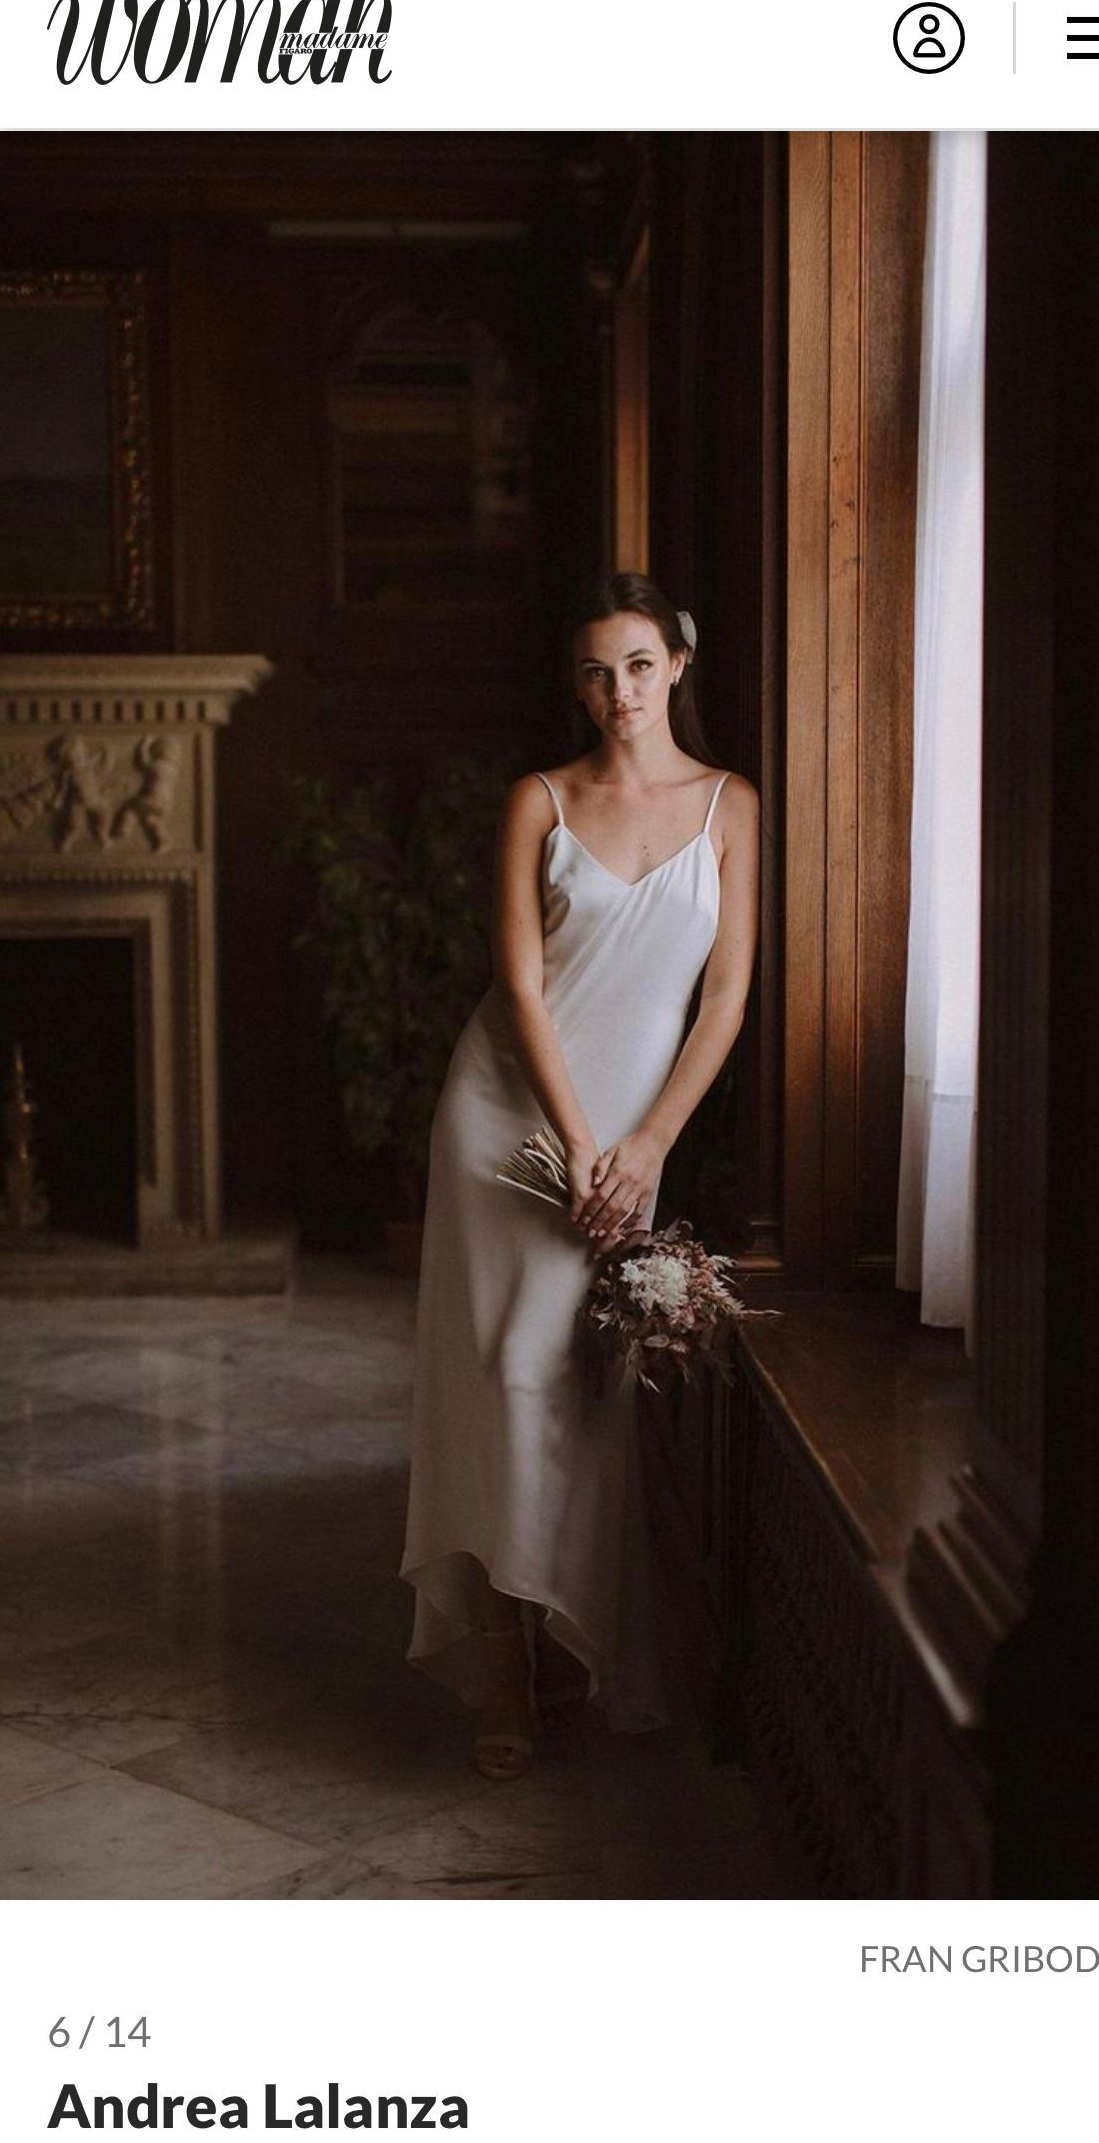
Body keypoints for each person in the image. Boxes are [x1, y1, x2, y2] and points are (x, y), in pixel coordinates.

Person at [398, 570, 760, 1777]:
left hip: (633, 1135)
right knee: (504, 1374)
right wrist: (580, 1145)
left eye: (640, 665)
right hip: (508, 1124)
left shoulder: (731, 807)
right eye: (598, 672)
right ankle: (505, 1654)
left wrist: (645, 1146)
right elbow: (521, 985)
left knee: (587, 1391)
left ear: (678, 664)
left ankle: (570, 1626)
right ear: (578, 683)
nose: (621, 692)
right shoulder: (540, 801)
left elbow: (725, 997)